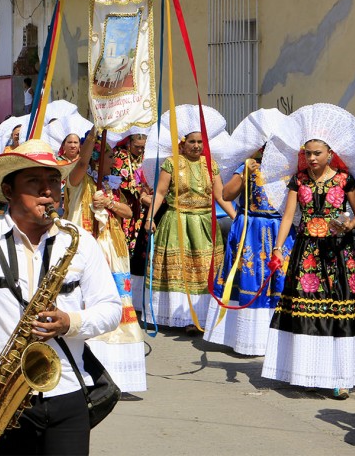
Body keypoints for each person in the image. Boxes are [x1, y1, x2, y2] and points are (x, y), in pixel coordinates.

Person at [0, 138, 121, 455]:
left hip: (68, 389)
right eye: (35, 181)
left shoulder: (79, 240)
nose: (48, 191)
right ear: (9, 191)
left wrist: (71, 321)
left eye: (54, 181)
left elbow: (111, 309)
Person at [262, 139, 355, 399]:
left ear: (330, 153)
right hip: (307, 252)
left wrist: (348, 225)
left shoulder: (345, 179)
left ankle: (340, 378)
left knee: (337, 311)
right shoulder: (299, 180)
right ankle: (308, 372)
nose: (312, 158)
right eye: (308, 153)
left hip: (339, 254)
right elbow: (288, 216)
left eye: (317, 153)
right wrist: (277, 248)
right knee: (308, 311)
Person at [65, 131, 146, 393]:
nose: (114, 159)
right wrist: (92, 137)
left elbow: (128, 212)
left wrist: (109, 201)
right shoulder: (78, 180)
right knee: (89, 303)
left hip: (114, 248)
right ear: (97, 158)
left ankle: (118, 374)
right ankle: (84, 371)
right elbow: (80, 162)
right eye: (109, 154)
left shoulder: (110, 184)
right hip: (88, 249)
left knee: (118, 305)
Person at [204, 150, 293, 356]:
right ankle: (248, 339)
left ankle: (278, 340)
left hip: (281, 229)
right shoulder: (250, 165)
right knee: (250, 278)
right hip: (251, 228)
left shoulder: (293, 168)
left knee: (279, 280)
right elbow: (226, 195)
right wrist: (244, 173)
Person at [145, 131, 235, 333]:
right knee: (182, 270)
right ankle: (182, 317)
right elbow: (160, 193)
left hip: (204, 223)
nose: (196, 146)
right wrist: (150, 217)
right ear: (183, 144)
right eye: (192, 142)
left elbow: (220, 196)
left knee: (203, 269)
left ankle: (203, 317)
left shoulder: (210, 165)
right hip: (177, 222)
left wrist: (237, 219)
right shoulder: (171, 163)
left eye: (200, 142)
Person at [110, 133, 150, 309]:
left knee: (139, 248)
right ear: (129, 143)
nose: (140, 150)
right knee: (122, 246)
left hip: (141, 210)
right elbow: (112, 181)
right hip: (123, 207)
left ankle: (136, 295)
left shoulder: (146, 156)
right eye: (137, 146)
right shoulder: (118, 155)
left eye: (143, 146)